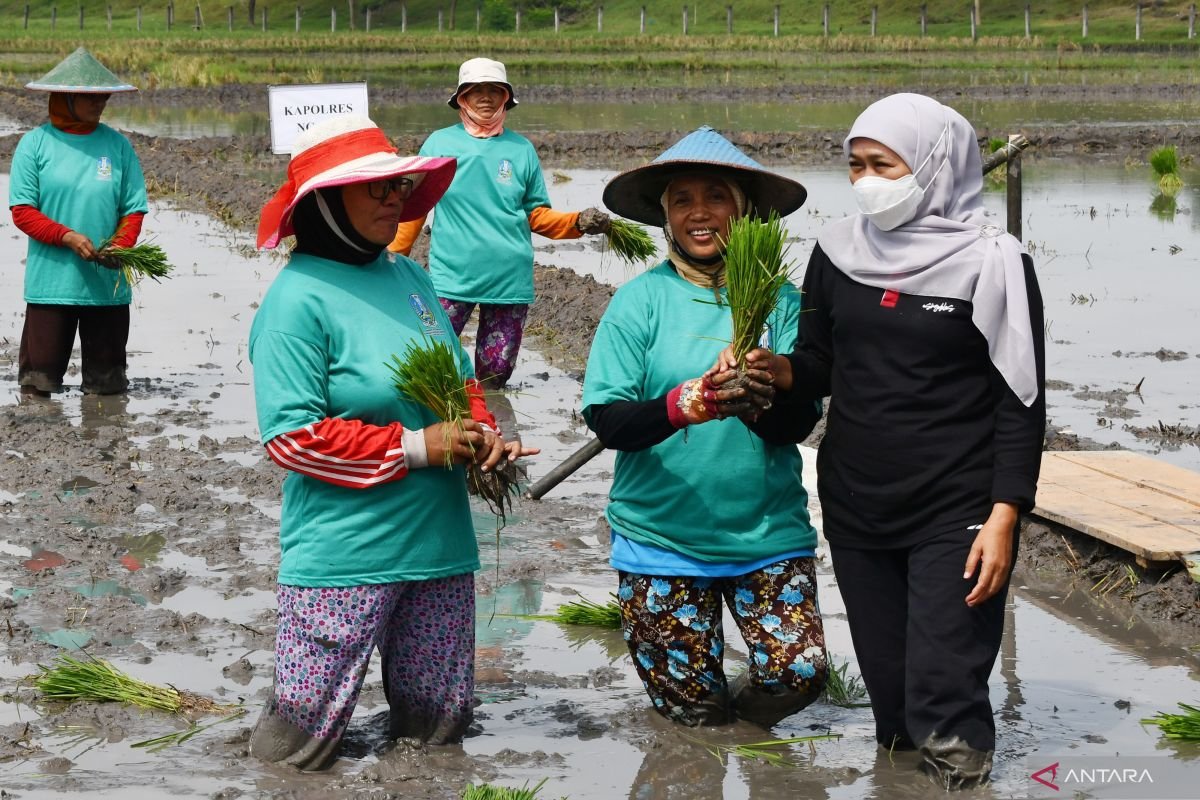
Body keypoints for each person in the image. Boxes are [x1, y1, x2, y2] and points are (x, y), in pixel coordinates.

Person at [723, 93, 1046, 787]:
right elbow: (819, 363)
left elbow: (1020, 401)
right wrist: (775, 370)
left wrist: (1005, 515)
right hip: (857, 502)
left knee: (945, 694)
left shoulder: (993, 261)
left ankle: (961, 778)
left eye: (883, 164)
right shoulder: (838, 251)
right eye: (856, 164)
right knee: (894, 706)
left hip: (956, 507)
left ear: (934, 165)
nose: (866, 179)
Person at [247, 115, 537, 770]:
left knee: (437, 734)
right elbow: (291, 438)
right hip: (346, 559)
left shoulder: (409, 278)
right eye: (376, 188)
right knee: (296, 749)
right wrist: (420, 447)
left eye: (398, 185)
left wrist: (483, 436)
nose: (394, 198)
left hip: (440, 551)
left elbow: (460, 382)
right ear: (325, 203)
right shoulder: (297, 301)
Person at [581, 126, 828, 729]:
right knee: (693, 714)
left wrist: (758, 396)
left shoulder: (780, 302)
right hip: (661, 541)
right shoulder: (639, 302)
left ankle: (745, 735)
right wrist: (687, 404)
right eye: (683, 199)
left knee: (799, 673)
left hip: (767, 534)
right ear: (665, 214)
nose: (699, 213)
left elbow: (800, 421)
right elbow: (609, 420)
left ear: (743, 211)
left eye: (716, 197)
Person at [388, 57, 612, 389]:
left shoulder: (521, 150)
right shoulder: (439, 145)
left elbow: (536, 214)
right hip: (452, 278)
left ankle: (492, 419)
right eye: (476, 90)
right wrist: (391, 259)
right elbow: (415, 208)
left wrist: (578, 222)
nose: (486, 97)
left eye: (494, 90)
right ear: (462, 97)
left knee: (495, 377)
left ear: (506, 97)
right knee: (431, 367)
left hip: (509, 282)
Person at [8, 47, 148, 396]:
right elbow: (23, 211)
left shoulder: (117, 146)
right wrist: (67, 236)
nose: (100, 102)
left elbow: (133, 209)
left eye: (103, 96)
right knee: (38, 386)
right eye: (90, 96)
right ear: (66, 97)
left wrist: (120, 247)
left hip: (106, 285)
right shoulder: (35, 145)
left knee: (107, 390)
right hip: (52, 283)